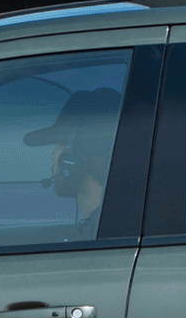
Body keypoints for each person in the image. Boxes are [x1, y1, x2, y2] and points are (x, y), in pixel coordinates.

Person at [24, 87, 121, 233]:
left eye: (60, 145)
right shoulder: (120, 224)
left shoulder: (107, 235)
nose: (53, 156)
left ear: (73, 159)